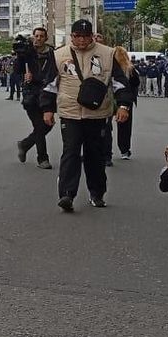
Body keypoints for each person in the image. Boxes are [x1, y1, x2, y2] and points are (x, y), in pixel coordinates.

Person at [40, 19, 132, 212]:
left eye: (85, 36)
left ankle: (97, 193)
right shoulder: (59, 55)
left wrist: (123, 105)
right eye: (77, 36)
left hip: (97, 113)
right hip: (70, 113)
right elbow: (49, 84)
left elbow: (120, 83)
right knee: (71, 152)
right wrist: (47, 109)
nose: (81, 40)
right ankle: (67, 194)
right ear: (71, 36)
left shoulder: (108, 54)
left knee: (95, 155)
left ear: (92, 36)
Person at [16, 27, 55, 169]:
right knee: (39, 126)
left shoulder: (52, 54)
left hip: (47, 94)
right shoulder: (27, 53)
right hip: (31, 96)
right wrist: (20, 56)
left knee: (48, 124)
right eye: (36, 36)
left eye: (41, 36)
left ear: (46, 38)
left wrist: (36, 77)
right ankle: (42, 158)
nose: (38, 39)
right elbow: (17, 70)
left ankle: (25, 144)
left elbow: (52, 75)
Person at [112, 47, 140, 161]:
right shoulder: (130, 69)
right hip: (126, 100)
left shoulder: (110, 68)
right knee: (125, 125)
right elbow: (136, 83)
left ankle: (106, 149)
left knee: (105, 124)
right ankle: (124, 149)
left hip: (111, 98)